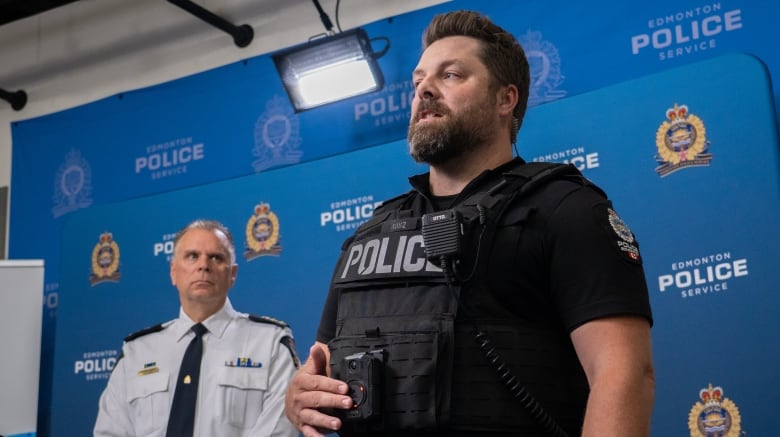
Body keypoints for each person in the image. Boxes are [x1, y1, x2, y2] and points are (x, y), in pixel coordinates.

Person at [284, 9, 654, 437]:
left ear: (505, 99)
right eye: (419, 80)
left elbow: (624, 376)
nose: (425, 89)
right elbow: (322, 370)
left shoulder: (564, 209)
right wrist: (300, 395)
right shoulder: (372, 234)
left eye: (452, 75)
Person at [94, 219, 300, 437]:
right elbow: (111, 432)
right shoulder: (136, 352)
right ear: (173, 272)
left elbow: (279, 430)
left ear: (233, 274)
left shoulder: (270, 344)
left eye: (216, 257)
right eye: (192, 256)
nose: (204, 265)